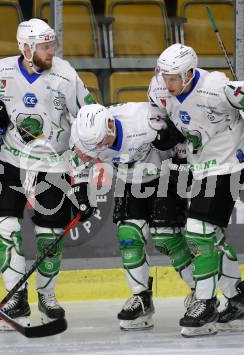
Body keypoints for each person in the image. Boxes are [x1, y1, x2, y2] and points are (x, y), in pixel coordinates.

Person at [0, 18, 95, 331]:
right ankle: (16, 297)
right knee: (3, 224)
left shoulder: (66, 75)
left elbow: (89, 120)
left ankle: (47, 296)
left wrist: (83, 178)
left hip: (53, 166)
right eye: (45, 46)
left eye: (53, 45)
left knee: (50, 236)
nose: (52, 51)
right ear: (26, 48)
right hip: (11, 162)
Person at [149, 43, 244, 337]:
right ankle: (238, 305)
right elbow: (164, 117)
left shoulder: (216, 87)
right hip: (201, 166)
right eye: (163, 75)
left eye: (172, 77)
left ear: (189, 73)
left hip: (229, 163)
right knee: (213, 237)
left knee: (198, 231)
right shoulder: (160, 88)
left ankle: (206, 303)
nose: (165, 83)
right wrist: (165, 133)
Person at [69, 103, 195, 330]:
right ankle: (141, 298)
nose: (96, 150)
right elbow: (80, 160)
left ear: (110, 126)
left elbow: (179, 136)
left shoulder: (144, 119)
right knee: (128, 236)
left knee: (167, 238)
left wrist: (181, 165)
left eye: (99, 143)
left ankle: (201, 295)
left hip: (164, 177)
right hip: (128, 182)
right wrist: (79, 190)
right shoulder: (83, 134)